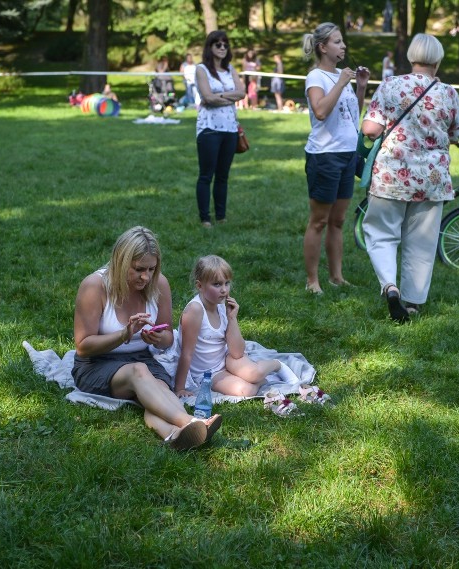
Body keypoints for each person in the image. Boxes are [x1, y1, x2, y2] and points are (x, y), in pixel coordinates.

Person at [72, 226, 222, 451]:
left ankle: (174, 435)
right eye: (139, 269)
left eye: (151, 269)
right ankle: (191, 422)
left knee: (157, 393)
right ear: (120, 263)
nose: (146, 276)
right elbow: (83, 347)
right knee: (139, 372)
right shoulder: (95, 286)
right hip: (97, 364)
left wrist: (158, 338)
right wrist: (125, 334)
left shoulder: (159, 284)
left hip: (143, 358)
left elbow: (169, 339)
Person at [360, 33, 459, 322]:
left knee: (381, 234)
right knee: (421, 242)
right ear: (438, 60)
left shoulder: (391, 86)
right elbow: (458, 132)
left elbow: (370, 129)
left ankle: (390, 286)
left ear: (411, 57)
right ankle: (412, 302)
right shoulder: (448, 93)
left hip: (392, 174)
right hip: (432, 179)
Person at [302, 22, 370, 294]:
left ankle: (336, 276)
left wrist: (360, 88)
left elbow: (351, 116)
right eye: (338, 42)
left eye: (342, 42)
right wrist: (342, 82)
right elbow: (320, 111)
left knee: (338, 221)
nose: (343, 46)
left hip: (347, 154)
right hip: (325, 156)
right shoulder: (316, 77)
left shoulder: (341, 78)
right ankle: (312, 281)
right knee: (318, 220)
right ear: (323, 47)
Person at [173, 255, 298, 398]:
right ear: (199, 285)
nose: (224, 290)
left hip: (227, 359)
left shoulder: (221, 307)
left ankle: (278, 365)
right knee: (246, 390)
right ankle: (262, 380)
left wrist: (232, 318)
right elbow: (186, 353)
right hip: (208, 373)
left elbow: (237, 352)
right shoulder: (195, 310)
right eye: (217, 284)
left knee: (253, 373)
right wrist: (179, 388)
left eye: (227, 283)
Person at [194, 30, 246, 228]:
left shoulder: (230, 69)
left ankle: (221, 217)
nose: (222, 47)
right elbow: (207, 98)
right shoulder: (201, 70)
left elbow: (241, 93)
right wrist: (228, 96)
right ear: (210, 47)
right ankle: (205, 218)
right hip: (209, 128)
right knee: (207, 174)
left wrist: (220, 96)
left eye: (225, 44)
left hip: (230, 129)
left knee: (223, 175)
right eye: (218, 44)